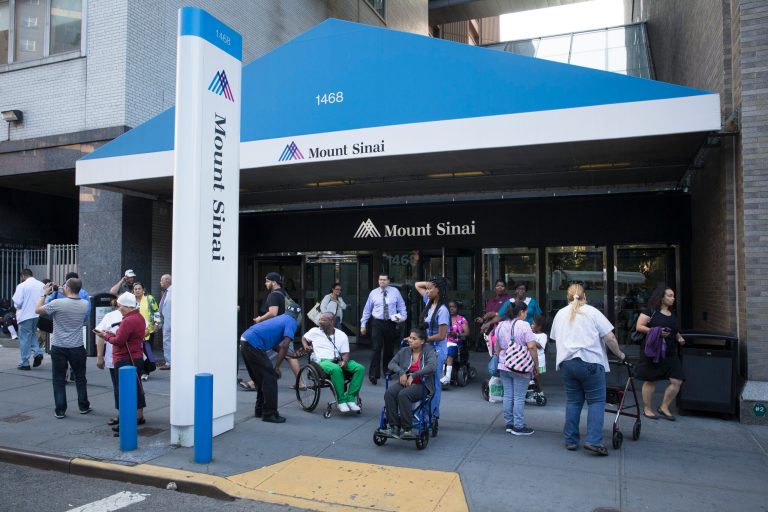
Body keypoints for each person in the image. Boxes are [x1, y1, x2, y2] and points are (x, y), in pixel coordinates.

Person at [550, 284, 625, 455]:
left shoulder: (560, 314)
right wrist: (620, 354)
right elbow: (610, 337)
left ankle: (570, 440)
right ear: (585, 297)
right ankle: (594, 440)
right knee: (596, 402)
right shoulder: (592, 312)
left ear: (567, 297)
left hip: (567, 363)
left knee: (573, 401)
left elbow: (554, 337)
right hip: (591, 362)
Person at [35, 277, 90, 418]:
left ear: (68, 288)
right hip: (77, 346)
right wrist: (63, 288)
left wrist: (44, 293)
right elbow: (71, 297)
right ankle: (83, 406)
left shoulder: (57, 303)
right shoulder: (84, 304)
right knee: (80, 377)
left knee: (59, 379)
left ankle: (60, 410)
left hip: (59, 346)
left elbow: (38, 310)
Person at [240, 305, 302, 423]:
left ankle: (260, 410)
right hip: (253, 344)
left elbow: (275, 346)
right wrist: (277, 368)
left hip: (245, 341)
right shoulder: (292, 322)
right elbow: (284, 345)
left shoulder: (280, 318)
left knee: (260, 379)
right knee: (270, 378)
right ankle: (269, 413)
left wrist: (292, 355)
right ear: (298, 316)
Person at [96, 292, 148, 430]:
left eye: (121, 306)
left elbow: (119, 341)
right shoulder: (139, 317)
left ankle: (126, 422)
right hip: (135, 356)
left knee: (124, 391)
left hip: (124, 358)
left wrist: (106, 336)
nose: (119, 309)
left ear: (128, 306)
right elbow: (139, 334)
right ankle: (137, 417)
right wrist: (114, 334)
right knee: (136, 388)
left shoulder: (128, 320)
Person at [634, 286, 686, 421]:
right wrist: (655, 331)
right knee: (651, 380)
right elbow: (639, 326)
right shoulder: (650, 311)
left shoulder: (671, 313)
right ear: (661, 297)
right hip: (653, 351)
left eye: (673, 296)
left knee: (677, 380)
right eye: (669, 296)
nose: (673, 298)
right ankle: (647, 408)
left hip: (670, 352)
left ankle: (664, 406)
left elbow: (674, 330)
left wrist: (679, 337)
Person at [241, 272, 300, 390]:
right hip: (286, 329)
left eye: (267, 281)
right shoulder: (284, 293)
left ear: (274, 282)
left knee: (263, 354)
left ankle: (255, 381)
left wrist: (260, 319)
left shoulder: (273, 295)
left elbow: (273, 313)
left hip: (276, 331)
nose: (265, 283)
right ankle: (301, 383)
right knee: (289, 355)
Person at [378, 328, 437, 439]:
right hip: (405, 383)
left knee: (403, 394)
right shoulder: (404, 351)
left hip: (423, 385)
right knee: (390, 393)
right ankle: (394, 427)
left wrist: (414, 375)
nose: (410, 340)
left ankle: (407, 429)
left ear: (422, 341)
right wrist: (401, 373)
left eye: (414, 339)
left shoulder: (429, 351)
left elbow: (432, 367)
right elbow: (391, 364)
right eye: (410, 337)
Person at [302, 312, 364, 412]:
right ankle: (341, 401)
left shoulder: (341, 335)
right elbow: (304, 338)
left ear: (331, 321)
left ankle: (350, 399)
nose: (320, 322)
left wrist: (345, 361)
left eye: (323, 320)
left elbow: (345, 353)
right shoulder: (314, 331)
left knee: (360, 368)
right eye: (320, 319)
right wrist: (306, 346)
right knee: (335, 369)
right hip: (322, 361)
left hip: (338, 360)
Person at [495, 301, 538, 436]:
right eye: (525, 312)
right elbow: (531, 346)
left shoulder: (500, 325)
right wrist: (536, 364)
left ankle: (509, 423)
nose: (526, 315)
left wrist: (500, 358)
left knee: (508, 394)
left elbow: (497, 346)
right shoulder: (524, 325)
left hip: (503, 363)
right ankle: (518, 426)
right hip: (520, 366)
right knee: (519, 397)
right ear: (521, 312)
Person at [360, 274, 407, 385]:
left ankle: (387, 371)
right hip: (377, 322)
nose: (382, 282)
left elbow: (401, 306)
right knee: (376, 348)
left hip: (390, 322)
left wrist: (403, 317)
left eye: (384, 280)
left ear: (388, 281)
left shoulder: (395, 291)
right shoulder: (373, 293)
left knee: (389, 348)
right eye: (380, 279)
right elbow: (367, 309)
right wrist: (363, 324)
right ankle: (373, 374)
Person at [414, 277, 449, 420]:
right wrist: (429, 283)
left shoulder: (443, 310)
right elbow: (417, 284)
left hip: (437, 350)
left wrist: (421, 340)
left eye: (430, 289)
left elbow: (441, 336)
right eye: (427, 289)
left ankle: (432, 414)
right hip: (426, 348)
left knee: (434, 384)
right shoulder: (428, 302)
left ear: (438, 290)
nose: (427, 291)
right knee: (424, 382)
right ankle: (424, 413)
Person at [46, 272, 90, 382]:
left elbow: (46, 305)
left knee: (60, 356)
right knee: (76, 354)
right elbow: (86, 314)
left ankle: (63, 375)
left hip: (59, 331)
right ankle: (74, 372)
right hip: (76, 330)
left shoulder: (57, 293)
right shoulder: (83, 294)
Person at [94, 296, 122, 426]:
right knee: (118, 387)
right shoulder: (110, 316)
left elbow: (145, 332)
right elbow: (100, 335)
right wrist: (100, 356)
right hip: (113, 357)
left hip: (132, 357)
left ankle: (138, 414)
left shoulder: (136, 315)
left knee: (134, 387)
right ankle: (122, 413)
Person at [12, 269, 45, 370]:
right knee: (31, 335)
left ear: (23, 276)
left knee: (24, 338)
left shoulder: (22, 286)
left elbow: (17, 302)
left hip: (25, 314)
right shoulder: (41, 284)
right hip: (37, 314)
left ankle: (24, 362)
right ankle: (38, 352)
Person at [133, 282, 159, 381]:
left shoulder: (149, 299)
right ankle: (143, 368)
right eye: (135, 289)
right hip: (135, 330)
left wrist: (156, 323)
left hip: (148, 330)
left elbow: (156, 311)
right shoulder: (132, 301)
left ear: (143, 290)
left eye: (139, 289)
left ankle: (146, 370)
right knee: (138, 351)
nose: (137, 290)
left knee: (147, 350)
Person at [442, 300, 470, 385]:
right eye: (449, 307)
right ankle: (441, 374)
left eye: (453, 307)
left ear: (457, 308)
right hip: (444, 342)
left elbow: (467, 333)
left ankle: (447, 377)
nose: (451, 309)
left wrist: (456, 334)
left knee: (450, 350)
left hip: (456, 343)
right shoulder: (444, 318)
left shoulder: (461, 319)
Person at [527, 314, 548, 404]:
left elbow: (540, 346)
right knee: (531, 376)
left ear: (539, 327)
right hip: (530, 359)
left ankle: (540, 391)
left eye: (533, 324)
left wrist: (532, 339)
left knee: (537, 376)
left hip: (539, 360)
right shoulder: (531, 333)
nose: (531, 325)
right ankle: (532, 391)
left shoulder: (543, 335)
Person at [157, 274, 172, 370]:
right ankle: (169, 361)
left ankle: (169, 362)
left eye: (161, 280)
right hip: (166, 321)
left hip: (171, 322)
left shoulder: (174, 291)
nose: (160, 282)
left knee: (168, 341)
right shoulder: (166, 292)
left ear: (167, 280)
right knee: (167, 341)